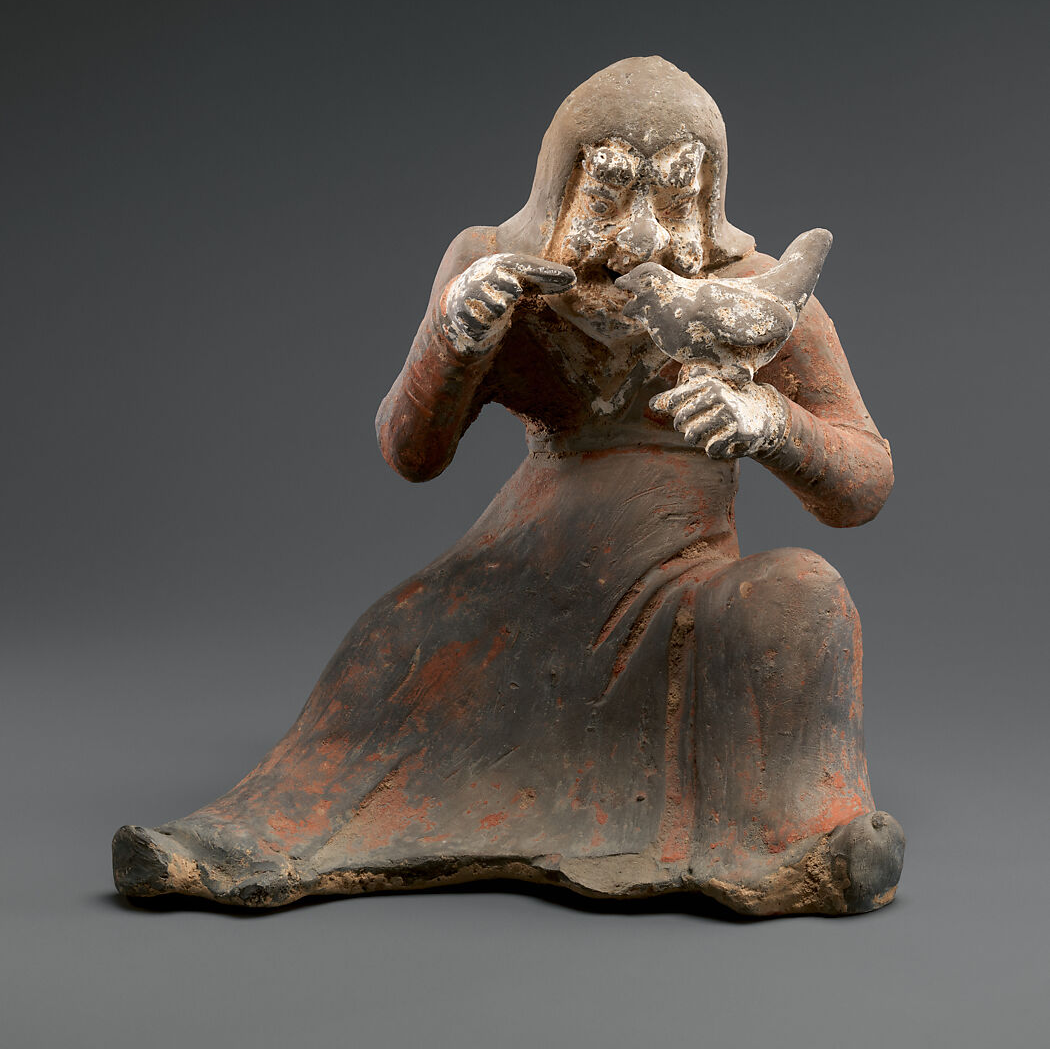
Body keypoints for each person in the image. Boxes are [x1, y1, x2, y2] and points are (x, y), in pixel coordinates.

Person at [113, 57, 904, 916]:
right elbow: (411, 452)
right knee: (394, 646)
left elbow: (862, 482)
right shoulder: (495, 269)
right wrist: (454, 338)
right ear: (560, 188)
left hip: (677, 593)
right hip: (515, 585)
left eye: (676, 194)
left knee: (801, 598)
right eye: (609, 191)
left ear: (710, 198)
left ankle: (809, 842)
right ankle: (246, 844)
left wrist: (772, 424)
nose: (640, 237)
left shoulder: (753, 295)